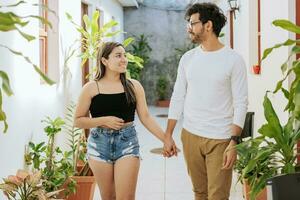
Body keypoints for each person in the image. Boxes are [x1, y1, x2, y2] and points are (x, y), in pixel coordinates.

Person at [164, 2, 248, 200]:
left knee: (217, 195)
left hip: (220, 138)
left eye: (193, 23)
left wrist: (234, 141)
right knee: (200, 193)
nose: (189, 28)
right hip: (191, 135)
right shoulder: (188, 59)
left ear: (208, 25)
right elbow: (178, 96)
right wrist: (168, 134)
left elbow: (241, 102)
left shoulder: (233, 60)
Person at [74, 42, 166, 200]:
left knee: (127, 197)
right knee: (108, 197)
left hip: (127, 143)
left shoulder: (133, 86)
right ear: (104, 61)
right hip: (99, 145)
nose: (124, 59)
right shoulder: (91, 88)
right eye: (118, 55)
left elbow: (146, 117)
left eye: (125, 55)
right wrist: (104, 120)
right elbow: (78, 121)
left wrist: (167, 139)